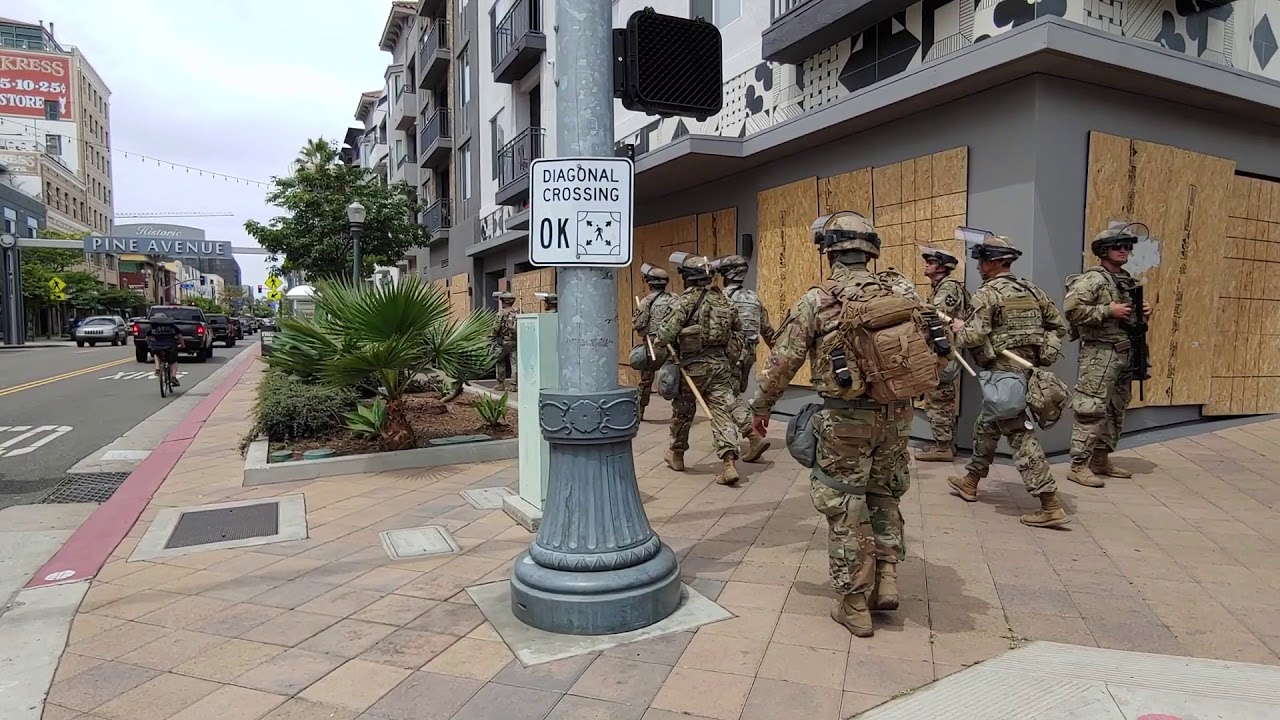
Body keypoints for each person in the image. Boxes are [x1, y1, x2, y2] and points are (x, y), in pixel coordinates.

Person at [747, 211, 934, 638]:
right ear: (871, 252)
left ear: (829, 252)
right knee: (885, 493)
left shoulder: (818, 299)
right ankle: (886, 579)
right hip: (897, 415)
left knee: (845, 506)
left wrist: (759, 409)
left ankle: (854, 604)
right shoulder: (901, 291)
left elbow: (781, 362)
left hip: (845, 420)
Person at [947, 232, 1070, 528]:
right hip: (1027, 373)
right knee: (986, 425)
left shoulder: (987, 294)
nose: (978, 266)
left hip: (1004, 375)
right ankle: (971, 481)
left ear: (995, 262)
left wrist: (958, 327)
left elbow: (973, 336)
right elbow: (1058, 327)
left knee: (1018, 433)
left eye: (982, 260)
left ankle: (1049, 503)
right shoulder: (1031, 290)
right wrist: (1044, 353)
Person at [653, 252, 769, 485]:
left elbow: (665, 334)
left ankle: (676, 454)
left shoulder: (685, 301)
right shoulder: (723, 300)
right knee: (723, 411)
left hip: (692, 367)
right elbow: (738, 331)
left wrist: (660, 341)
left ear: (688, 277)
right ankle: (728, 463)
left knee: (683, 412)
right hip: (720, 366)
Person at [1064, 221, 1154, 488]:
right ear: (1103, 251)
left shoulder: (1126, 279)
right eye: (1117, 246)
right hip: (1099, 355)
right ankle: (1078, 465)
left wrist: (1143, 310)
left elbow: (1129, 317)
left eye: (1127, 246)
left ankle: (1100, 458)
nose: (1124, 250)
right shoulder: (1091, 279)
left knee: (1116, 409)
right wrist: (1106, 311)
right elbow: (1072, 311)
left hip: (1125, 353)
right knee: (1090, 408)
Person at [916, 247, 970, 462]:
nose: (926, 265)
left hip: (944, 352)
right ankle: (945, 444)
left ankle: (943, 447)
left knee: (938, 399)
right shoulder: (941, 287)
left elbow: (935, 316)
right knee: (942, 398)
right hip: (943, 351)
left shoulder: (947, 288)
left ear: (941, 267)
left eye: (931, 262)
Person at [715, 255, 776, 394]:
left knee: (725, 395)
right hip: (748, 354)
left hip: (727, 354)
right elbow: (767, 331)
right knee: (736, 390)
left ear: (726, 274)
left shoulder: (720, 298)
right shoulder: (754, 298)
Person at [632, 264, 677, 421]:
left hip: (653, 346)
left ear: (649, 283)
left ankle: (639, 412)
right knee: (675, 378)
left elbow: (638, 324)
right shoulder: (674, 299)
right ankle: (678, 413)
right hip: (672, 346)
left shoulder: (646, 301)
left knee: (645, 380)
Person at [147, 313, 184, 387]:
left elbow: (148, 337)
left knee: (156, 354)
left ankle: (157, 369)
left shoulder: (152, 326)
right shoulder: (171, 325)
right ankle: (173, 377)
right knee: (173, 361)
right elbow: (179, 336)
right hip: (170, 347)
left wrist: (150, 344)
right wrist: (182, 345)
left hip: (157, 346)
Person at [492, 291, 518, 391]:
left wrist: (492, 336)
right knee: (514, 363)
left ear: (503, 301)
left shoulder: (501, 313)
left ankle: (500, 383)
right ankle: (514, 385)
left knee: (499, 361)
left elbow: (495, 327)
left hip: (503, 341)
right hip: (515, 341)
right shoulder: (517, 312)